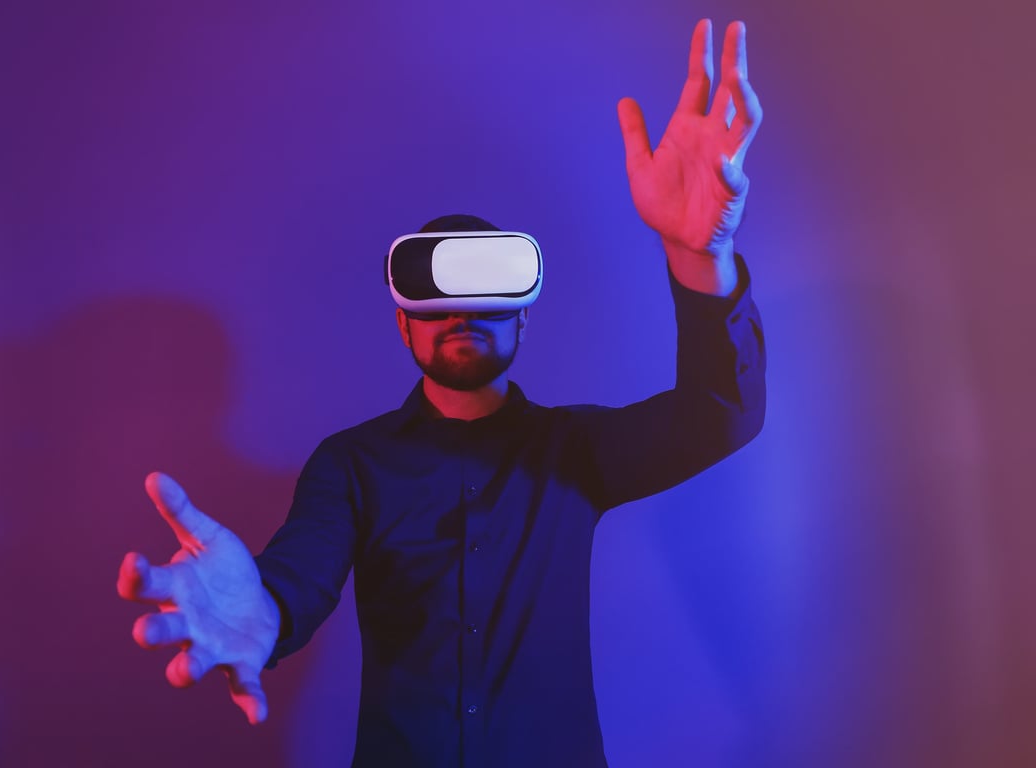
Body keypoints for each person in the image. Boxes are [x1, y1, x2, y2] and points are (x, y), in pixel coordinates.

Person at [118, 18, 765, 767]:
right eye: (436, 294)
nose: (461, 312)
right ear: (403, 324)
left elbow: (723, 413)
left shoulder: (579, 452)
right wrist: (260, 611)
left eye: (485, 292)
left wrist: (698, 254)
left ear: (523, 315)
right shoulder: (351, 465)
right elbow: (300, 575)